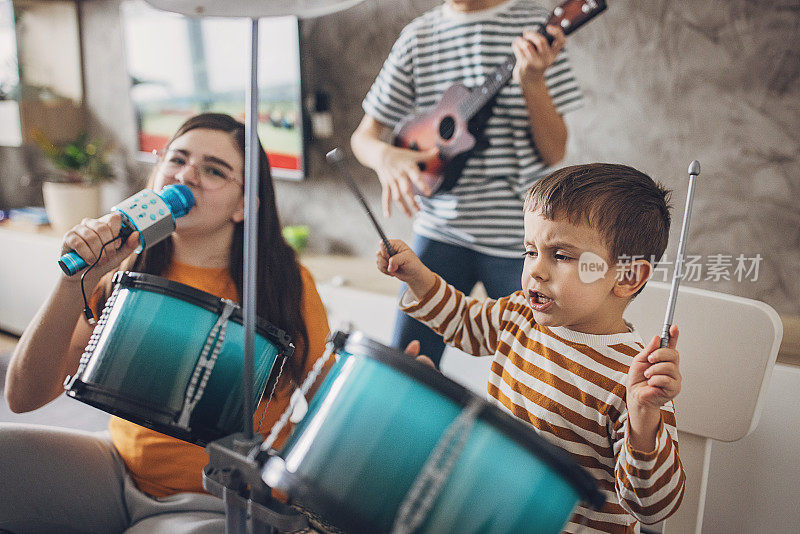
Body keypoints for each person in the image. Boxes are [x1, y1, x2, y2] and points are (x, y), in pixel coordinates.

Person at [1, 113, 330, 533]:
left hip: (216, 502)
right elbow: (24, 396)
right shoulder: (124, 267)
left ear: (243, 206)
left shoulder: (285, 285)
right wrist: (74, 282)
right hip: (120, 471)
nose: (187, 174)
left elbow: (329, 409)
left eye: (214, 170)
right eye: (177, 159)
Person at [377, 163, 686, 532]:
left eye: (561, 256)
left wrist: (642, 419)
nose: (535, 271)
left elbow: (653, 508)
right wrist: (417, 275)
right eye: (530, 251)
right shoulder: (520, 315)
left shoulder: (636, 381)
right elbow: (463, 321)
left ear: (627, 276)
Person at [351, 0, 584, 367]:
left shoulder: (535, 27)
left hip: (521, 239)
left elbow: (554, 152)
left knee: (537, 370)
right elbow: (363, 138)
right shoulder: (418, 37)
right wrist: (386, 157)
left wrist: (532, 81)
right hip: (439, 231)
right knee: (408, 364)